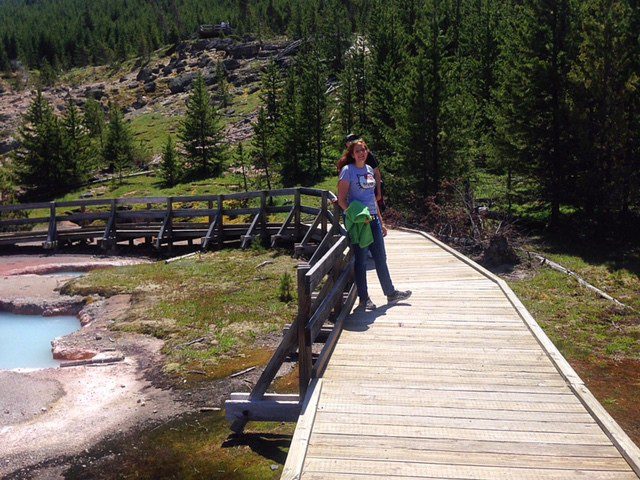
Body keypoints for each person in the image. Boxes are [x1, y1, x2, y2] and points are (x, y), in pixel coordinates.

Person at [337, 139, 411, 311]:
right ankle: (364, 299)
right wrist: (355, 216)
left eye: (363, 150)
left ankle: (390, 293)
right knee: (361, 260)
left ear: (367, 151)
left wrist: (381, 221)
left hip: (374, 220)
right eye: (357, 151)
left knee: (380, 258)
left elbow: (372, 198)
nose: (361, 153)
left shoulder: (369, 170)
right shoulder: (348, 171)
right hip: (360, 222)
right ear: (352, 154)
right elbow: (341, 200)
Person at [343, 133, 385, 212]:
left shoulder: (367, 155)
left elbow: (377, 173)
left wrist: (379, 194)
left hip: (369, 187)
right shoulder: (346, 158)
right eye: (349, 142)